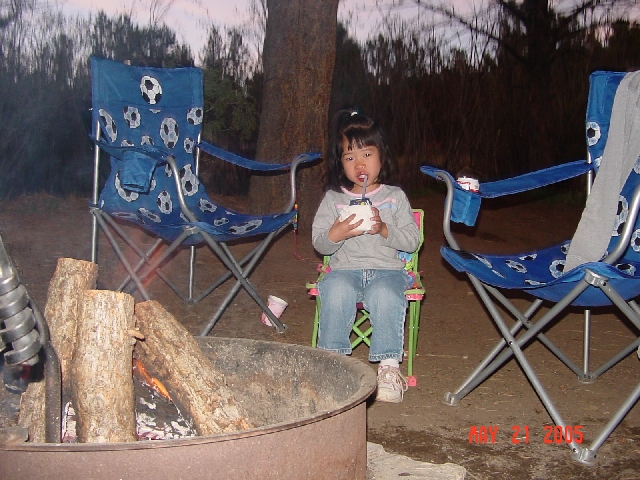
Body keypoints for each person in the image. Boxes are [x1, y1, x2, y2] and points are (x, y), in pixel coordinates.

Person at [312, 110, 420, 403]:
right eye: (349, 157)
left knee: (385, 294)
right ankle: (332, 364)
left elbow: (412, 241)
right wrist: (336, 234)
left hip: (388, 270)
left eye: (367, 154)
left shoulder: (394, 197)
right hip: (344, 270)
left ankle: (388, 368)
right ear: (341, 163)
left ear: (381, 156)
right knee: (335, 289)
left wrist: (384, 229)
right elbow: (320, 243)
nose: (359, 163)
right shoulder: (334, 199)